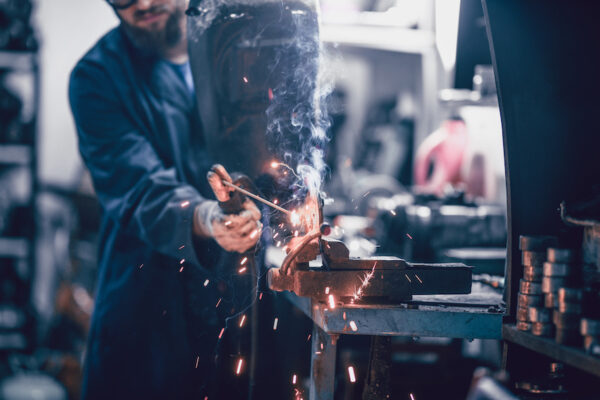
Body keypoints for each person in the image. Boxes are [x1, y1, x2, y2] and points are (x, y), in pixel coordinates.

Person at [69, 0, 262, 398]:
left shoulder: (239, 49)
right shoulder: (97, 77)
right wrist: (208, 217)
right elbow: (141, 189)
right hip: (148, 306)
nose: (141, 4)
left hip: (243, 300)